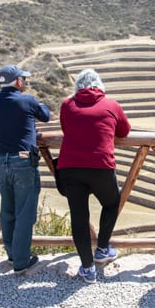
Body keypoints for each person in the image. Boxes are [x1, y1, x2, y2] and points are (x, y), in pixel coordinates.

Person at [56, 69, 131, 284]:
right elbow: (124, 131)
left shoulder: (67, 104)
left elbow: (65, 127)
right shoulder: (111, 104)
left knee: (79, 216)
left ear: (77, 87)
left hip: (70, 167)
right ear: (99, 86)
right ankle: (102, 249)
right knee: (111, 203)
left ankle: (88, 269)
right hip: (100, 166)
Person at [0, 64, 51, 275]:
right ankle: (21, 261)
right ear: (18, 81)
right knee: (25, 212)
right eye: (23, 78)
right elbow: (46, 115)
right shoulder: (28, 100)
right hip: (23, 160)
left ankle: (12, 254)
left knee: (7, 209)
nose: (25, 81)